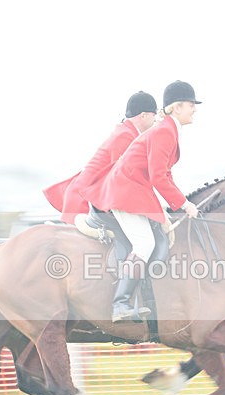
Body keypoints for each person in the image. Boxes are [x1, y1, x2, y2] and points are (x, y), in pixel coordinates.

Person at [85, 80, 202, 322]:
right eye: (192, 105)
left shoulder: (169, 130)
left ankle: (138, 298)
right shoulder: (165, 132)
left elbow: (163, 174)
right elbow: (158, 176)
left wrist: (175, 205)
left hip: (134, 190)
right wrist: (184, 204)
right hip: (125, 191)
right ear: (177, 107)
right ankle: (120, 304)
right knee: (144, 244)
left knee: (151, 239)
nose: (195, 109)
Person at [43, 91, 158, 224]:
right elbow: (124, 180)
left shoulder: (126, 132)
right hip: (85, 202)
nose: (155, 121)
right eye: (153, 116)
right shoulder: (126, 136)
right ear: (143, 116)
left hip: (88, 197)